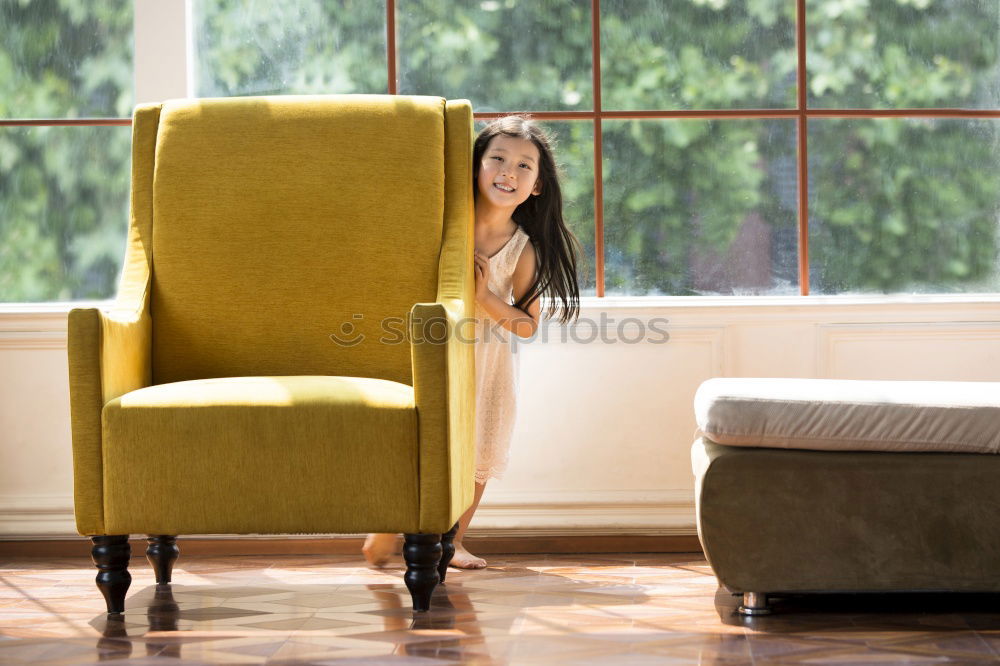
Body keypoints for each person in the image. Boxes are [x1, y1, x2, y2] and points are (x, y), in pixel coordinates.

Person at [364, 115, 581, 570]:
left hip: (488, 362)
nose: (509, 171)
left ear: (537, 185)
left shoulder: (523, 249)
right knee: (419, 438)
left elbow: (526, 325)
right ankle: (393, 525)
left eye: (524, 166)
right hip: (431, 350)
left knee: (478, 446)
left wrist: (483, 296)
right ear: (476, 166)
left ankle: (455, 539)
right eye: (497, 158)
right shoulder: (443, 224)